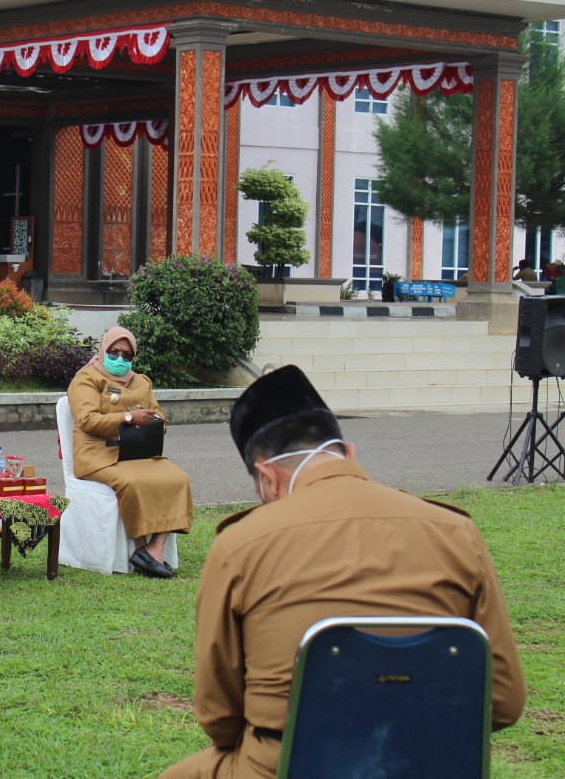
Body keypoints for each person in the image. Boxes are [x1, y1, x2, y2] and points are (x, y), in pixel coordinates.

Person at [161, 365, 525, 779]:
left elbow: (220, 720)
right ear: (348, 453)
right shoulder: (457, 532)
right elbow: (505, 702)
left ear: (267, 477)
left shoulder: (239, 545)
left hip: (287, 766)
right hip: (427, 764)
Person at [67, 326, 193, 578]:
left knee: (178, 479)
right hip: (99, 456)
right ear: (103, 351)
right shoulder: (87, 379)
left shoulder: (141, 382)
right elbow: (87, 421)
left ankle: (154, 550)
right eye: (114, 353)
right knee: (133, 483)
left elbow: (160, 417)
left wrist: (156, 423)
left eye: (127, 355)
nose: (120, 359)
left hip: (139, 453)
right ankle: (141, 547)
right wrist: (127, 417)